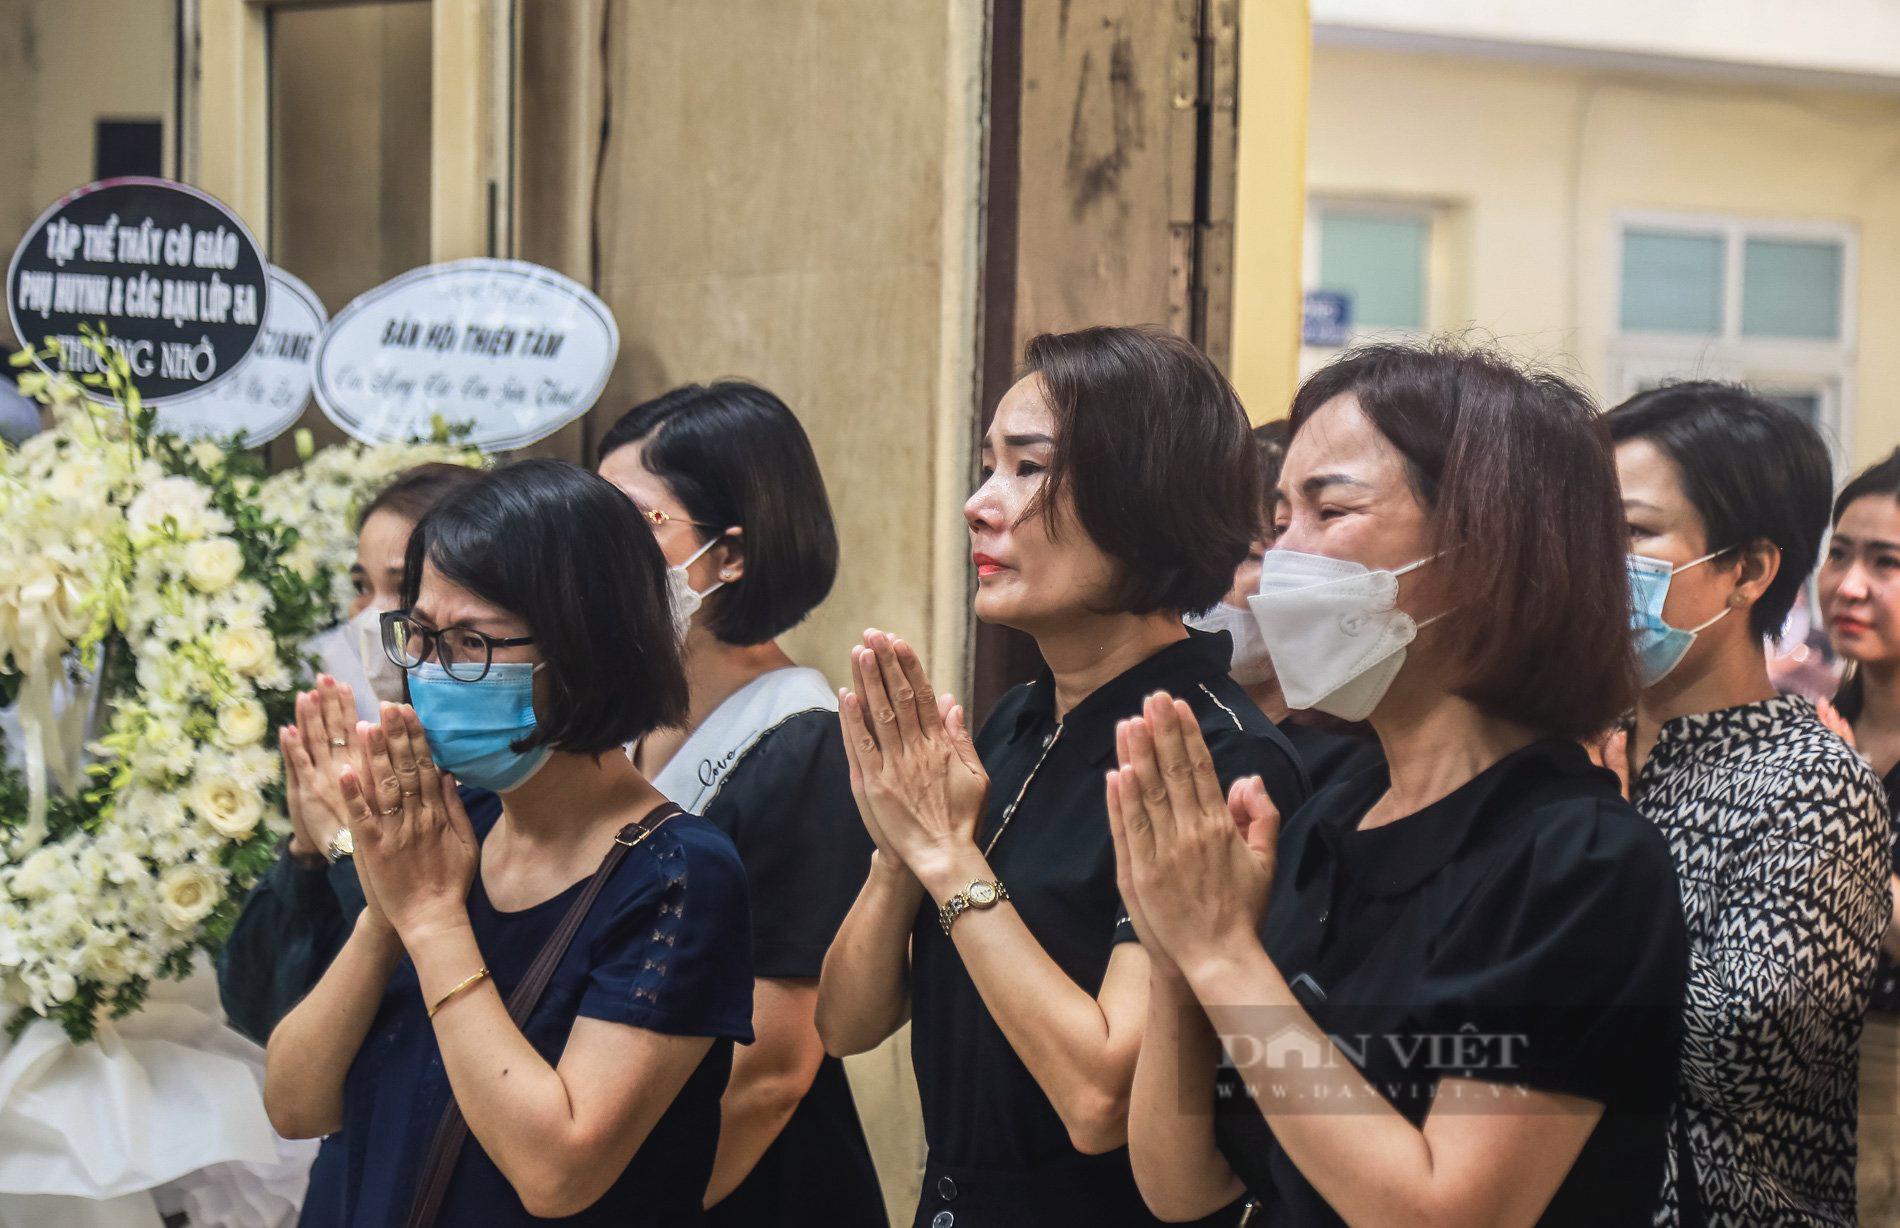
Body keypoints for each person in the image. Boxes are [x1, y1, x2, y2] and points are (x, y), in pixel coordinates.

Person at [1118, 342, 1688, 1226]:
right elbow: (1183, 1182)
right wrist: (1175, 951)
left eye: (1329, 510)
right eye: (1281, 520)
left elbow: (1441, 1211)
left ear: (1484, 544)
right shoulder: (1330, 821)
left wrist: (1223, 955)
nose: (1282, 562)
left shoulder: (1581, 861)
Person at [816, 326, 1308, 1227]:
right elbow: (846, 1026)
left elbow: (1101, 1098)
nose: (979, 503)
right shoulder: (1018, 721)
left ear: (1144, 499)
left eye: (1027, 469)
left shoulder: (1217, 754)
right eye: (987, 466)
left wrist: (948, 859)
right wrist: (901, 851)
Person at [262, 460, 755, 1227]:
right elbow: (295, 1103)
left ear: (586, 650)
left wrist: (431, 921)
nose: (429, 670)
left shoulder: (677, 873)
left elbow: (556, 1171)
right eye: (420, 635)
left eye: (469, 642)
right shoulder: (457, 823)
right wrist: (386, 912)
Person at [596, 382, 884, 1226]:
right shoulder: (626, 725)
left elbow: (775, 1066)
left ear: (731, 555)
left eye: (634, 525)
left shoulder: (803, 741)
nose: (597, 555)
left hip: (742, 1185)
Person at [1608, 382, 1889, 1226]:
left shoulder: (1808, 780)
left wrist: (1606, 851)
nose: (1590, 561)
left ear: (1748, 570)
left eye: (1630, 534)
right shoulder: (1580, 742)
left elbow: (1738, 1059)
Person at [218, 463, 486, 1227]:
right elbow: (265, 1010)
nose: (372, 616)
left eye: (396, 588)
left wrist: (347, 846)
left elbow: (419, 1000)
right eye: (360, 588)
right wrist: (308, 854)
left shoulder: (496, 774)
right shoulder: (356, 757)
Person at [1188, 419, 1382, 790]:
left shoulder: (1350, 764)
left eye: (1248, 555)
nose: (1212, 582)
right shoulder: (1187, 726)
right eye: (1203, 556)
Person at [1814, 446, 1900, 1225]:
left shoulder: (1828, 760)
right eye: (1838, 552)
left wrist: (1839, 804)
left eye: (1887, 562)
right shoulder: (1816, 727)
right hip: (1797, 1072)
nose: (1849, 585)